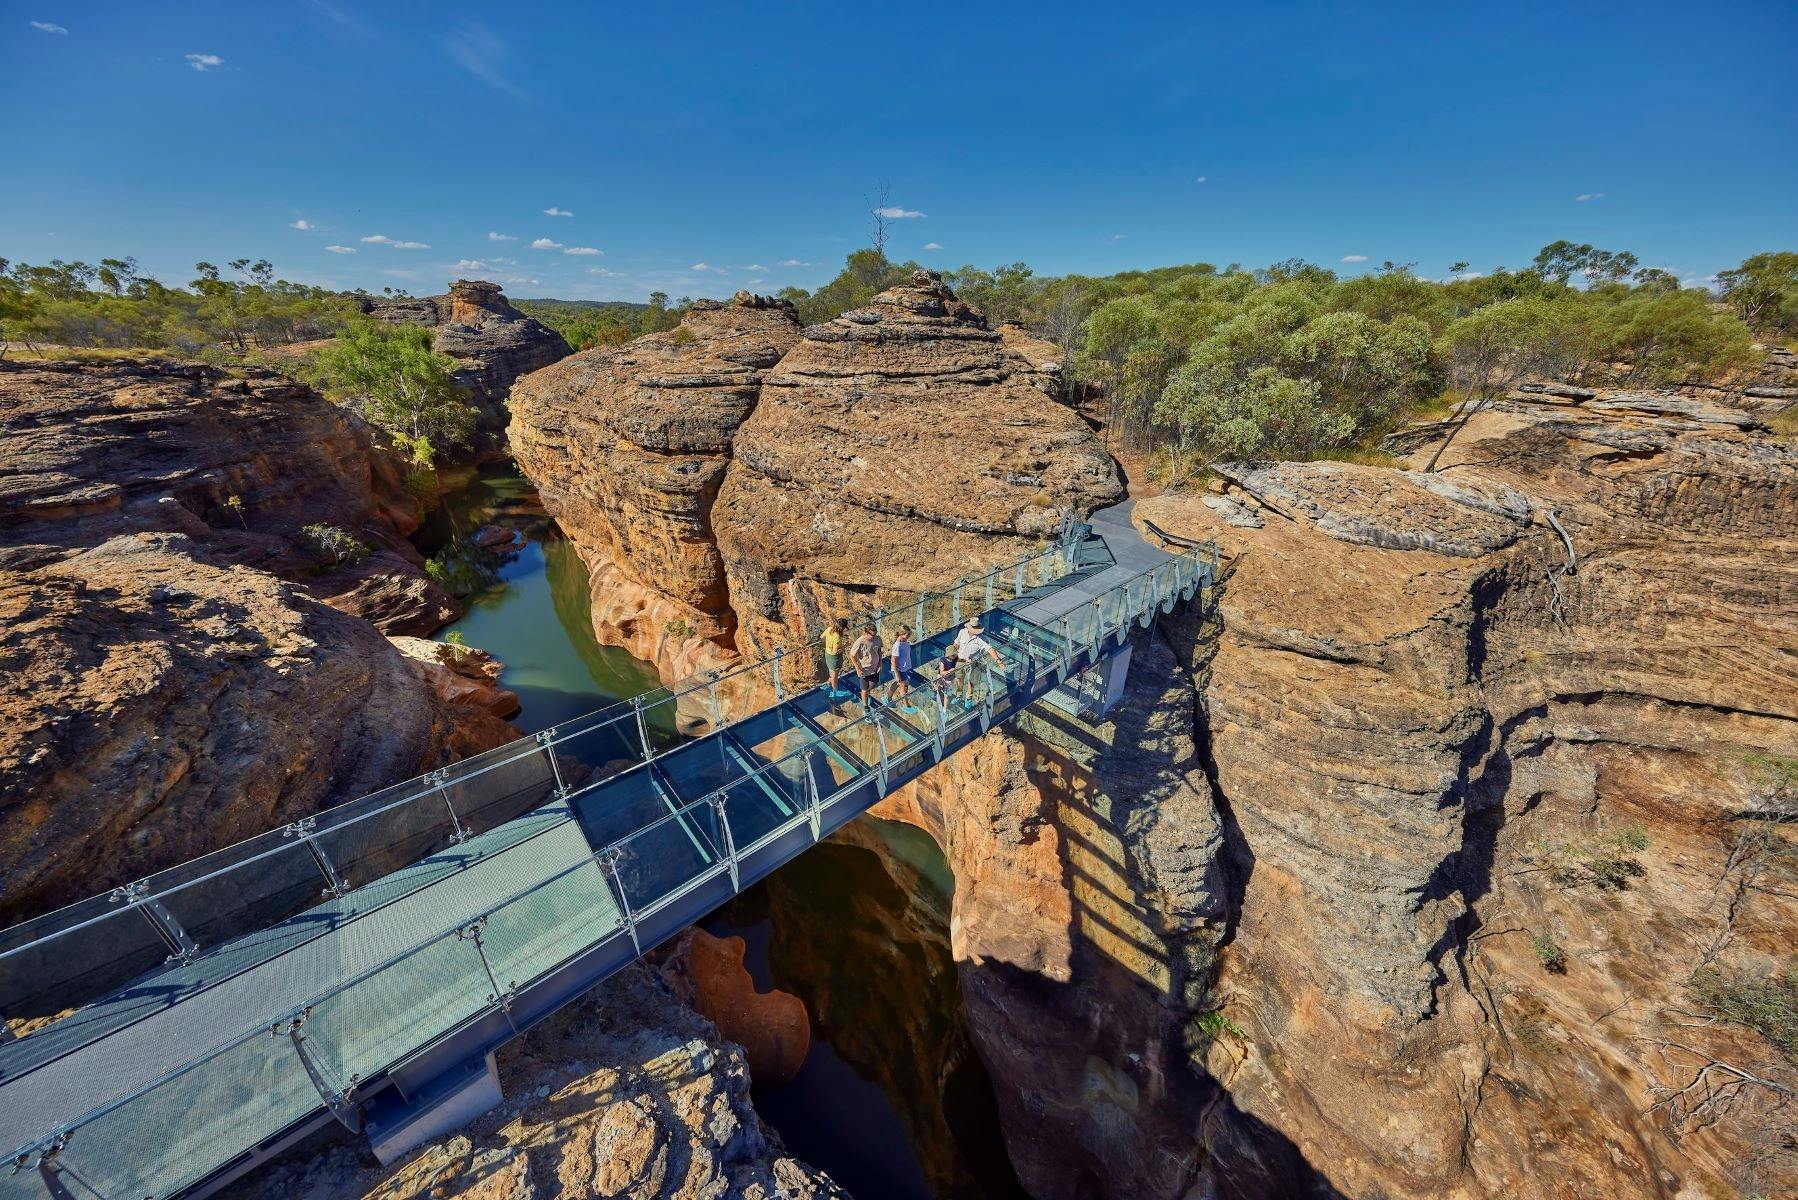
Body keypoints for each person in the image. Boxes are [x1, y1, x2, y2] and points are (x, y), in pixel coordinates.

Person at [952, 618, 1006, 702]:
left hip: (973, 663)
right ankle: (958, 696)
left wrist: (998, 661)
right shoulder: (962, 632)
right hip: (960, 661)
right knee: (959, 678)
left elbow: (990, 649)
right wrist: (951, 654)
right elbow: (956, 644)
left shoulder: (982, 639)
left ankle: (968, 698)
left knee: (971, 681)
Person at [850, 625, 882, 706]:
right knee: (864, 689)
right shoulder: (860, 641)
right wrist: (857, 668)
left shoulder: (878, 639)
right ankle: (865, 705)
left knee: (873, 685)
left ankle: (867, 694)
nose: (874, 637)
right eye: (872, 635)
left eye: (875, 634)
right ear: (866, 633)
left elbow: (879, 650)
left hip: (875, 668)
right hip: (864, 670)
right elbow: (851, 655)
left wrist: (880, 663)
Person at [888, 625, 914, 705]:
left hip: (904, 668)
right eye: (907, 635)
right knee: (904, 686)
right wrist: (897, 674)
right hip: (899, 670)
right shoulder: (897, 646)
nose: (909, 637)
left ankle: (889, 698)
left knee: (897, 684)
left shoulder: (905, 642)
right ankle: (906, 705)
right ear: (901, 634)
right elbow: (893, 661)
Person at [822, 617, 845, 695]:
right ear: (842, 627)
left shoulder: (829, 629)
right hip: (834, 658)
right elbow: (836, 652)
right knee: (834, 674)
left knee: (831, 672)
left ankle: (828, 684)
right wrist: (845, 646)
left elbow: (821, 637)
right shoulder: (837, 637)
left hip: (827, 654)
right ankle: (835, 691)